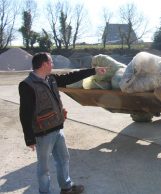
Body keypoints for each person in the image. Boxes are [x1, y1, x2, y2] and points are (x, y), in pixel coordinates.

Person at [18, 52, 107, 194]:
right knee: (44, 168)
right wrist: (29, 137)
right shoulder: (27, 85)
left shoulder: (51, 79)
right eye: (51, 62)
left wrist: (94, 71)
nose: (52, 64)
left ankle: (66, 188)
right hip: (42, 133)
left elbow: (71, 77)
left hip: (58, 129)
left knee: (64, 159)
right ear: (44, 64)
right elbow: (25, 113)